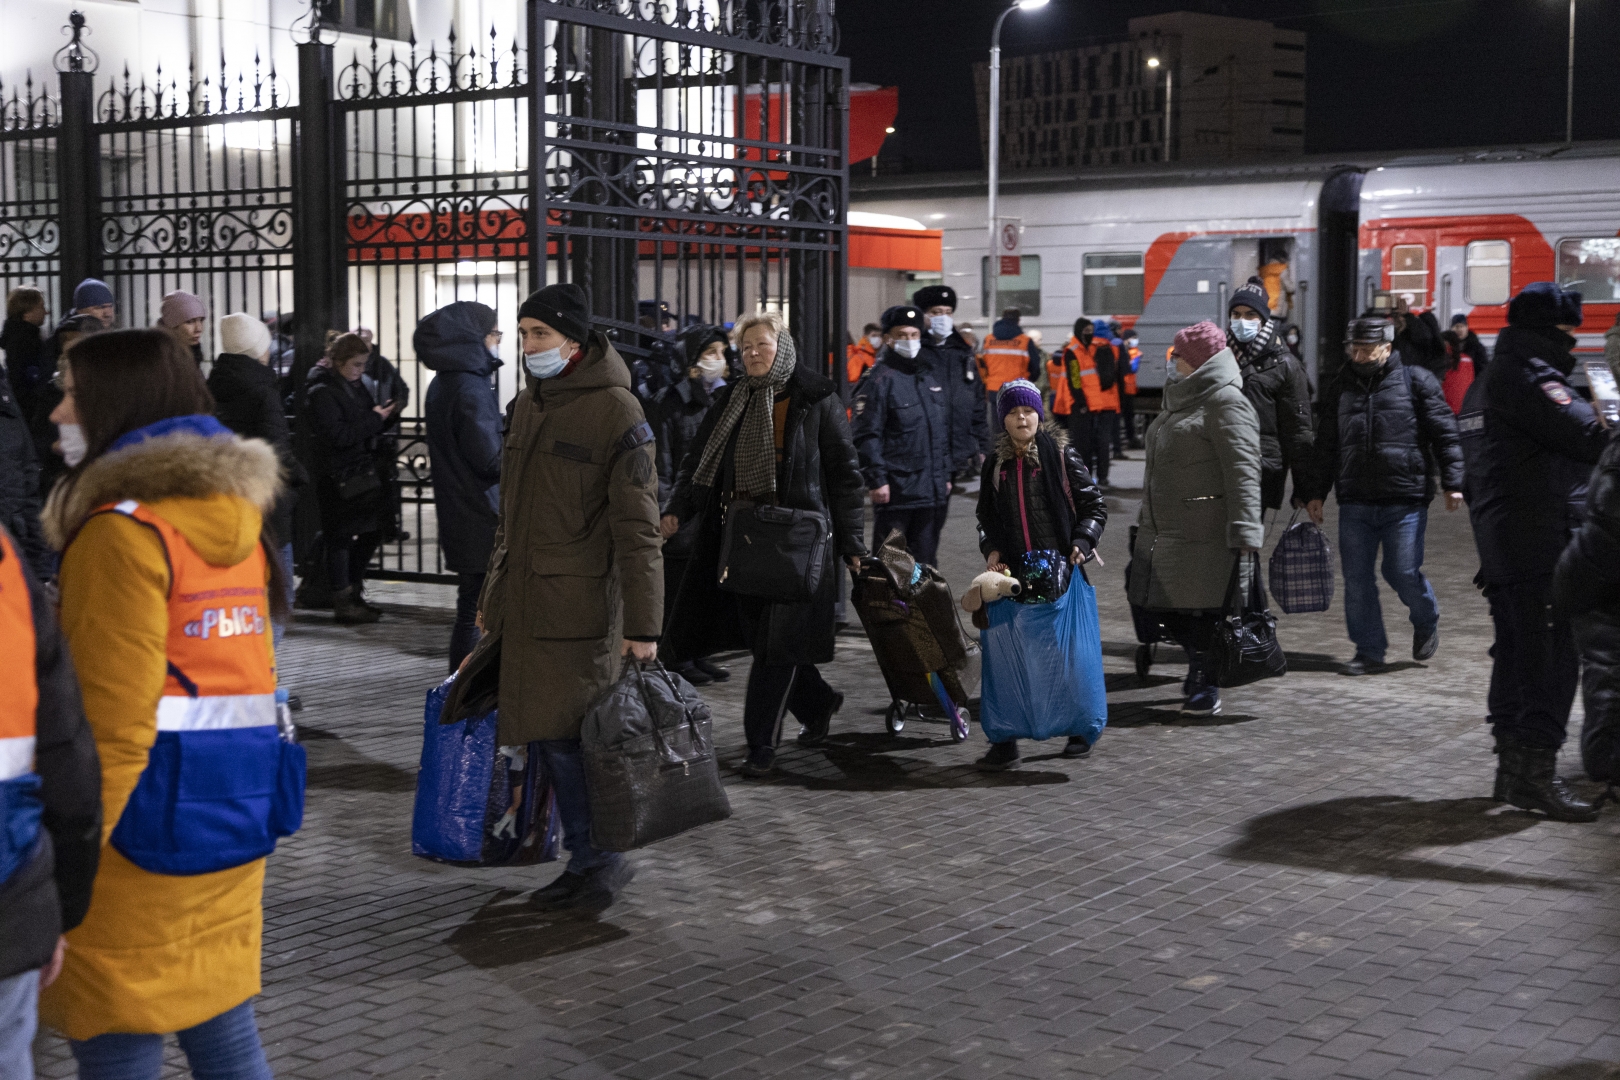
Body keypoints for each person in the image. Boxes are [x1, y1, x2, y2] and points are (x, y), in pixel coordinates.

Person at [39, 327, 293, 1079]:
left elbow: (110, 729)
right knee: (219, 1025)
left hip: (133, 845)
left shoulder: (122, 536)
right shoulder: (234, 525)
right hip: (232, 814)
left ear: (120, 404)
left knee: (117, 1038)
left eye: (72, 394)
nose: (57, 412)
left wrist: (65, 877)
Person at [477, 283, 662, 915]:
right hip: (527, 608)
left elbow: (638, 530)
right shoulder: (530, 405)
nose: (528, 346)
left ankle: (601, 862)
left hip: (579, 614)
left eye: (539, 335)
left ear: (574, 343)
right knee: (548, 743)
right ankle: (585, 861)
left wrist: (644, 625)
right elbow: (511, 521)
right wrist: (491, 598)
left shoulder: (617, 411)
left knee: (574, 746)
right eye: (523, 333)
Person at [662, 311, 865, 776]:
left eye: (762, 345)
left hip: (799, 540)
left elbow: (845, 477)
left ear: (783, 346)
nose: (753, 354)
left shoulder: (817, 399)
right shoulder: (733, 398)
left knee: (776, 647)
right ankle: (817, 704)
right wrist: (677, 510)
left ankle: (761, 747)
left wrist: (853, 543)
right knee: (767, 642)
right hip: (743, 538)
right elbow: (699, 462)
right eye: (746, 347)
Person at [1469, 281, 1608, 821]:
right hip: (1539, 542)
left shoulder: (1488, 381)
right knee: (1549, 662)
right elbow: (1592, 439)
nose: (1571, 342)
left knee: (1516, 657)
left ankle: (1512, 774)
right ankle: (1535, 778)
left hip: (1507, 543)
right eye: (1565, 331)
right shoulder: (1530, 380)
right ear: (1545, 331)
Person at [1300, 317, 1463, 675]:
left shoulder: (1416, 381)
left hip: (1404, 498)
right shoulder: (1340, 385)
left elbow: (1445, 433)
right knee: (1357, 579)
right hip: (1355, 498)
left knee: (1401, 571)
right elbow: (1326, 443)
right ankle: (1369, 650)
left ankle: (1427, 616)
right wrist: (1315, 492)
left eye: (1365, 349)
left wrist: (1454, 481)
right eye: (1353, 348)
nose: (1357, 355)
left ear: (1387, 348)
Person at [0, 522, 101, 1080]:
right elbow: (64, 749)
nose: (59, 425)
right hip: (9, 896)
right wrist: (61, 905)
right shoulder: (7, 557)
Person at [1127, 321, 1263, 717]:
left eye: (1179, 356)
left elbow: (1244, 472)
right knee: (1158, 603)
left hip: (1205, 533)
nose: (1172, 361)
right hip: (1165, 529)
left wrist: (1245, 531)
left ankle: (1204, 677)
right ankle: (1199, 668)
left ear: (1199, 362)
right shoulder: (1181, 396)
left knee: (1201, 613)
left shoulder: (1226, 402)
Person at [973, 379, 1107, 770]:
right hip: (1012, 575)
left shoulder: (1061, 454)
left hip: (1062, 572)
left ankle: (1080, 727)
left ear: (1039, 414)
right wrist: (991, 549)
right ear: (1003, 419)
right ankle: (1006, 739)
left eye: (1028, 410)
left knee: (1067, 656)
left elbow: (1093, 506)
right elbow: (985, 516)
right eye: (1013, 412)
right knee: (1008, 657)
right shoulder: (995, 463)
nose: (1021, 418)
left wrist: (1082, 541)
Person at [209, 312, 309, 708]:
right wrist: (297, 482)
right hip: (268, 511)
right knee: (278, 600)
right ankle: (259, 681)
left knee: (245, 601)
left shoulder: (214, 384)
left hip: (233, 506)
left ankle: (252, 680)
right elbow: (276, 451)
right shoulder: (261, 389)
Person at [417, 302, 504, 672]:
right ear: (474, 339)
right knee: (477, 610)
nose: (498, 340)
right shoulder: (469, 386)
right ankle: (463, 692)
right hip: (481, 514)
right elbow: (489, 458)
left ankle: (463, 688)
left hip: (463, 511)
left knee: (473, 606)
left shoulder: (447, 381)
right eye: (494, 333)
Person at [655, 324, 733, 688]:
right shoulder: (671, 404)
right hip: (682, 513)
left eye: (721, 352)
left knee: (702, 590)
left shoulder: (722, 399)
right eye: (709, 353)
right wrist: (668, 511)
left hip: (711, 511)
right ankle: (675, 656)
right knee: (677, 592)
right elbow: (662, 465)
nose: (718, 360)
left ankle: (697, 652)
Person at [306, 331, 399, 624]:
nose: (360, 370)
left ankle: (353, 591)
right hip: (339, 476)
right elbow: (339, 434)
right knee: (340, 538)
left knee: (372, 531)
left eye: (363, 364)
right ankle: (343, 599)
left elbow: (360, 423)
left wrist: (383, 415)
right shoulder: (322, 390)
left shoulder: (353, 385)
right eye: (356, 364)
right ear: (338, 361)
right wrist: (375, 419)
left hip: (363, 472)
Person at [852, 305, 952, 565]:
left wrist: (946, 474)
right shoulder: (878, 380)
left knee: (926, 566)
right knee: (891, 567)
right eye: (902, 335)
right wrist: (876, 480)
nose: (909, 340)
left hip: (930, 491)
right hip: (896, 492)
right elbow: (866, 435)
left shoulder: (927, 376)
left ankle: (923, 608)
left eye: (914, 334)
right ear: (888, 338)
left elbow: (940, 432)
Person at [1553, 433, 1620, 791]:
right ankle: (1607, 765)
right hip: (1600, 583)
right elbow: (1611, 529)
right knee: (1609, 675)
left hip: (1597, 573)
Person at [1226, 276, 1314, 514]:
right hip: (1220, 467)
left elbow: (1298, 430)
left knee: (1243, 544)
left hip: (1260, 470)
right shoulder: (1220, 356)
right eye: (1236, 314)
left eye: (1250, 315)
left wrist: (1303, 487)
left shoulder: (1285, 364)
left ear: (1263, 318)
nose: (1241, 321)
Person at [914, 284, 988, 491]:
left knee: (937, 517)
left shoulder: (962, 352)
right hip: (921, 453)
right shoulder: (914, 351)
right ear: (923, 315)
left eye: (948, 312)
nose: (943, 318)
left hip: (956, 452)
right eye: (936, 312)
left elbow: (976, 404)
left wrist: (982, 446)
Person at [1059, 317, 1119, 487]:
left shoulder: (1087, 349)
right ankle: (1083, 479)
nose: (1089, 335)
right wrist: (1082, 402)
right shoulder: (1075, 350)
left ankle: (1085, 478)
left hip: (1091, 404)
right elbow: (1075, 379)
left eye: (1091, 331)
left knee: (1087, 443)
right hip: (1080, 404)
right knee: (1083, 443)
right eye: (1086, 331)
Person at [978, 308, 1043, 433]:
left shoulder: (989, 339)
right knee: (1018, 428)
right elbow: (1035, 367)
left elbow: (982, 364)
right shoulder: (1024, 341)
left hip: (994, 390)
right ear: (1018, 320)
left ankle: (999, 451)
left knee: (998, 428)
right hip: (1017, 390)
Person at [2, 286, 49, 421]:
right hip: (30, 411)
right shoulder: (24, 340)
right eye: (41, 307)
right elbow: (24, 380)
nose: (45, 312)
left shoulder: (21, 336)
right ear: (26, 314)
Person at [1440, 313, 1487, 414]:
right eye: (1457, 326)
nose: (1460, 330)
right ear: (1452, 329)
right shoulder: (1446, 349)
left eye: (1462, 326)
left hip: (1470, 391)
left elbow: (1483, 370)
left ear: (1467, 328)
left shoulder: (1476, 347)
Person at [158, 290, 208, 367]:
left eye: (201, 320)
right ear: (171, 325)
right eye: (190, 322)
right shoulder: (160, 363)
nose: (199, 329)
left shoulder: (192, 358)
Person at [1115, 324, 1142, 455]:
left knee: (1127, 417)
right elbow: (1130, 369)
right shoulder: (1126, 351)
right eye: (1133, 338)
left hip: (1128, 389)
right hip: (1124, 389)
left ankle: (1127, 440)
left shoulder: (1131, 351)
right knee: (1125, 417)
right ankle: (1126, 440)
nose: (1135, 340)